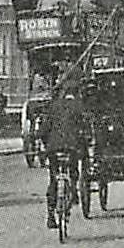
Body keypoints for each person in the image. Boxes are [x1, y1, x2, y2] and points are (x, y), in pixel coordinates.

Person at [44, 71, 88, 231]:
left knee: (53, 179)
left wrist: (44, 144)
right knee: (74, 168)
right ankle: (74, 189)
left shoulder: (54, 106)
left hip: (54, 147)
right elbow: (85, 129)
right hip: (72, 146)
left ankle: (50, 215)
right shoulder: (79, 106)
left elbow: (44, 129)